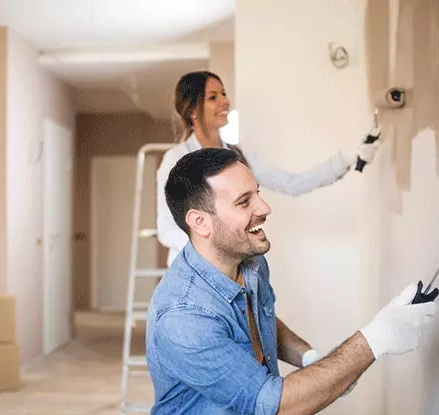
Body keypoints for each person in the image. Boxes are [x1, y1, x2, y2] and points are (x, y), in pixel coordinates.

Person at [145, 148, 439, 415]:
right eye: (244, 202)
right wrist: (375, 339)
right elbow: (278, 408)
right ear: (200, 222)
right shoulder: (182, 315)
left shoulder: (249, 261)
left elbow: (260, 322)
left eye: (256, 193)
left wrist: (310, 358)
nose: (265, 207)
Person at [157, 70, 381, 267]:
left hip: (234, 268)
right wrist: (214, 249)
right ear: (192, 110)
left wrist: (346, 157)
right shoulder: (176, 159)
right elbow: (167, 227)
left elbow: (292, 184)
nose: (224, 101)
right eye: (213, 97)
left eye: (224, 93)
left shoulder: (238, 157)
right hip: (193, 269)